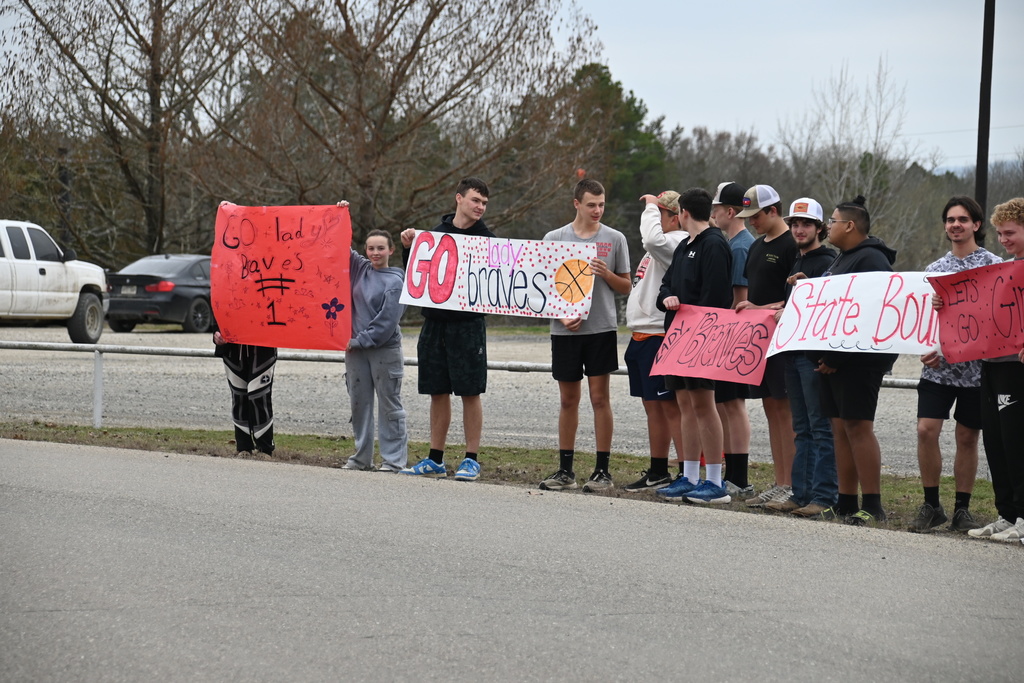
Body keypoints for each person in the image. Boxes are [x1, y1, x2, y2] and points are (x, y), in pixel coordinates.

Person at [909, 197, 1002, 532]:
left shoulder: (994, 264)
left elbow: (999, 317)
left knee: (967, 437)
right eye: (950, 220)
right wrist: (924, 344)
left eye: (963, 219)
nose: (955, 225)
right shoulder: (934, 270)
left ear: (976, 225)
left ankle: (962, 509)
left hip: (978, 370)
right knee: (925, 430)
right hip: (937, 368)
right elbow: (917, 321)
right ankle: (931, 504)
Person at [539, 178, 631, 492]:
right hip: (564, 331)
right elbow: (543, 288)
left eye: (601, 204)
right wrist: (562, 315)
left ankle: (602, 471)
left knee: (599, 398)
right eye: (591, 204)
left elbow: (626, 286)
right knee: (568, 399)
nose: (597, 210)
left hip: (601, 329)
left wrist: (607, 274)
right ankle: (565, 470)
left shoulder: (615, 238)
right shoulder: (554, 238)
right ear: (576, 203)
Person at [399, 177, 494, 481]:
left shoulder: (489, 240)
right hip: (434, 323)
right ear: (459, 199)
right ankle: (435, 458)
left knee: (470, 391)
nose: (480, 207)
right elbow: (416, 277)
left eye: (484, 203)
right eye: (475, 200)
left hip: (468, 326)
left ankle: (471, 459)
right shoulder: (433, 236)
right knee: (437, 391)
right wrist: (407, 248)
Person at [812, 195, 897, 525]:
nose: (827, 227)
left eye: (831, 221)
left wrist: (837, 357)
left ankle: (873, 505)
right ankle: (846, 501)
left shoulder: (871, 260)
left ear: (849, 225)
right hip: (833, 359)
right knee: (839, 429)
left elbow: (868, 315)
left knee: (859, 428)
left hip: (859, 361)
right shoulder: (841, 259)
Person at [655, 187, 734, 504]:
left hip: (703, 337)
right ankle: (688, 475)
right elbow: (666, 283)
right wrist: (667, 299)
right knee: (685, 405)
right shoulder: (684, 245)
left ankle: (715, 481)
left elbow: (716, 297)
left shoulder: (714, 244)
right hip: (676, 336)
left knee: (704, 404)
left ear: (683, 213)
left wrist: (697, 326)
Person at [771, 198, 838, 517]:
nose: (799, 229)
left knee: (820, 427)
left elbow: (833, 307)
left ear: (820, 229)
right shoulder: (798, 262)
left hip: (813, 357)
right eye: (795, 223)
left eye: (806, 224)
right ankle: (801, 493)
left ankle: (824, 496)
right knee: (802, 427)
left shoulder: (829, 261)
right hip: (793, 353)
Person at [735, 185, 798, 509]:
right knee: (772, 411)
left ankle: (792, 483)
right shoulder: (757, 246)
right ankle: (779, 481)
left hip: (784, 342)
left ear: (773, 210)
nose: (752, 222)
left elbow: (796, 299)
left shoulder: (791, 246)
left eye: (756, 216)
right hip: (760, 341)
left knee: (786, 413)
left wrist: (758, 308)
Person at [966, 197, 1024, 542]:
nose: (1003, 239)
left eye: (1011, 232)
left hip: (1016, 370)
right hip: (990, 364)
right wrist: (946, 304)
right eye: (1000, 233)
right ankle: (1008, 513)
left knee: (1018, 442)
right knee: (997, 441)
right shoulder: (1004, 269)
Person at [621, 191, 687, 492]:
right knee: (653, 407)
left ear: (674, 216)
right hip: (641, 335)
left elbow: (651, 239)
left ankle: (686, 471)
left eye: (661, 213)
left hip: (658, 335)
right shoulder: (661, 243)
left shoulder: (676, 240)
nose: (654, 219)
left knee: (669, 407)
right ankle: (659, 469)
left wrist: (649, 205)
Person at [343, 228, 409, 473]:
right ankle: (361, 458)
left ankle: (393, 461)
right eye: (371, 248)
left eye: (381, 248)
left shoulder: (395, 281)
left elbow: (386, 323)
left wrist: (360, 340)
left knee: (389, 405)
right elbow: (339, 245)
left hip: (384, 351)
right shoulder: (361, 269)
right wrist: (341, 215)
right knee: (359, 403)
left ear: (391, 250)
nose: (375, 253)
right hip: (355, 351)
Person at [710, 181, 754, 498]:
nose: (712, 214)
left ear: (729, 211)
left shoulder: (739, 246)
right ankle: (732, 472)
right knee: (724, 404)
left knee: (732, 404)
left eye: (715, 209)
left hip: (735, 334)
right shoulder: (733, 242)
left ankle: (738, 476)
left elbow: (739, 300)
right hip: (731, 333)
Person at [213, 332, 277, 456]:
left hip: (263, 346)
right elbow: (217, 314)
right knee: (238, 395)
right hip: (232, 348)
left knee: (259, 395)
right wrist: (216, 334)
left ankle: (265, 449)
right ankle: (243, 447)